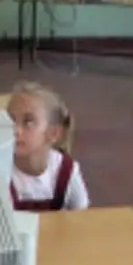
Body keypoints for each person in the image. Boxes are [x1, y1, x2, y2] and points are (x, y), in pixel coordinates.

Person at [8, 81, 89, 211]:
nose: (15, 130)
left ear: (53, 133)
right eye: (11, 120)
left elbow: (82, 218)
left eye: (28, 122)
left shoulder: (67, 171)